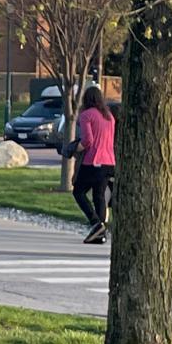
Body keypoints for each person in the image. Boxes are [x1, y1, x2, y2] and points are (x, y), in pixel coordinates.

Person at [69, 84, 115, 243]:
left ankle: (96, 224)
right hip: (109, 162)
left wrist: (75, 148)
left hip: (93, 161)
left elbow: (88, 140)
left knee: (78, 192)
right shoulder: (109, 116)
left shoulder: (86, 115)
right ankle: (100, 234)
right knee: (99, 196)